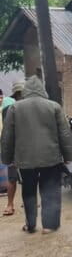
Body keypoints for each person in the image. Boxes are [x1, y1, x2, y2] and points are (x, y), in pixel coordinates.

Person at [0, 76, 72, 234]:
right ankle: (49, 225)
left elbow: (7, 136)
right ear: (42, 90)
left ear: (25, 91)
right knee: (50, 190)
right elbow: (65, 134)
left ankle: (31, 224)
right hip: (51, 157)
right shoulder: (54, 106)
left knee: (28, 191)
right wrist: (69, 155)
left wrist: (6, 158)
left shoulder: (15, 108)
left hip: (25, 159)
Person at [1, 81, 23, 217]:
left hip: (25, 147)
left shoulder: (30, 108)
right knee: (13, 178)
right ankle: (10, 204)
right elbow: (7, 132)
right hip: (16, 148)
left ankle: (27, 201)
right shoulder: (7, 110)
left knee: (26, 176)